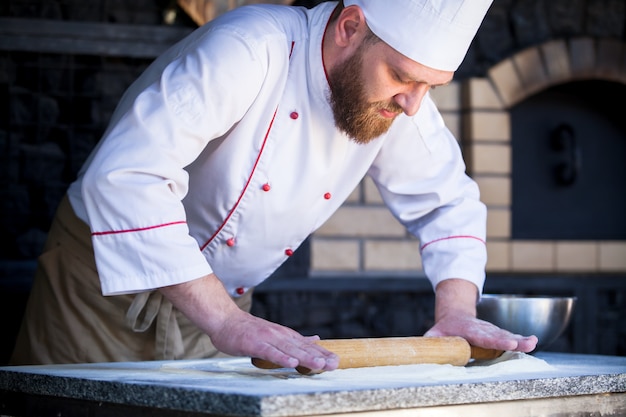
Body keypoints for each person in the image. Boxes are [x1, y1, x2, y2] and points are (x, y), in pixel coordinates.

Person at [10, 0, 538, 370]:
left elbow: (448, 204)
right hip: (101, 290)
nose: (413, 103)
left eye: (430, 86)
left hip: (223, 315)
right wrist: (225, 321)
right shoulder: (247, 48)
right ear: (349, 27)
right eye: (403, 76)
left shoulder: (398, 100)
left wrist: (456, 314)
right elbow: (126, 177)